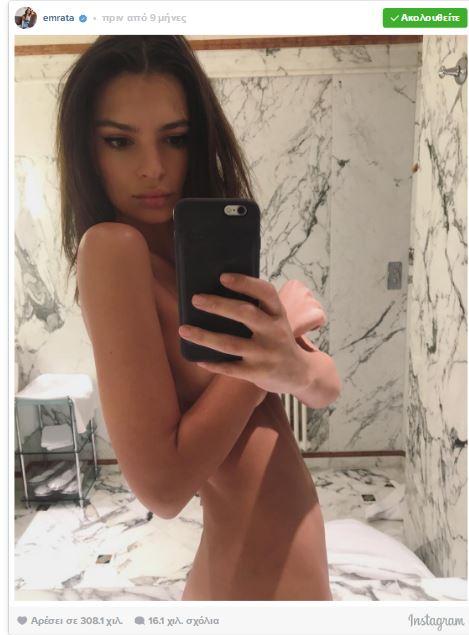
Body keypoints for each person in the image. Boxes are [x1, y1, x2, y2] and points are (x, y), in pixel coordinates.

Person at [55, 35, 341, 600]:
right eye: (119, 141)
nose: (153, 168)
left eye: (176, 138)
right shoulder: (113, 249)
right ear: (88, 150)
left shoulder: (194, 256)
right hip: (255, 587)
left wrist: (288, 364)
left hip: (259, 573)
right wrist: (262, 363)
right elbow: (162, 489)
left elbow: (324, 388)